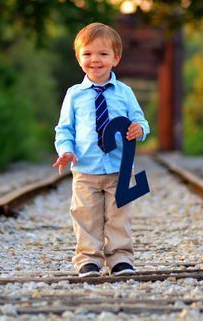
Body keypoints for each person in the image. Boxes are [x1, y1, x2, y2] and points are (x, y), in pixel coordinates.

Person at [53, 22, 150, 277]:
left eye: (103, 54)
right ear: (78, 58)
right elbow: (64, 129)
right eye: (87, 54)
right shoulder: (74, 95)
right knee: (86, 216)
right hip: (86, 168)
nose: (95, 60)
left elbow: (140, 120)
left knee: (119, 216)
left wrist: (139, 129)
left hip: (120, 167)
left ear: (115, 58)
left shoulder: (125, 92)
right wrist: (66, 149)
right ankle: (88, 260)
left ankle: (120, 259)